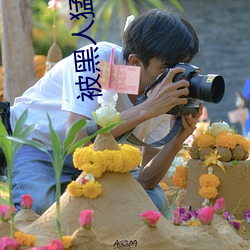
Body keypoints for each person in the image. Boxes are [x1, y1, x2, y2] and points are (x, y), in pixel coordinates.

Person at [6, 9, 202, 215]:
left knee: (152, 202)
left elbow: (146, 180)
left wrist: (176, 140)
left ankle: (70, 199)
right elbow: (76, 139)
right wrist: (147, 108)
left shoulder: (164, 90)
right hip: (37, 143)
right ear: (135, 62)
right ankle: (65, 197)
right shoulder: (95, 59)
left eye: (182, 66)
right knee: (39, 208)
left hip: (96, 158)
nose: (176, 76)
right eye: (167, 68)